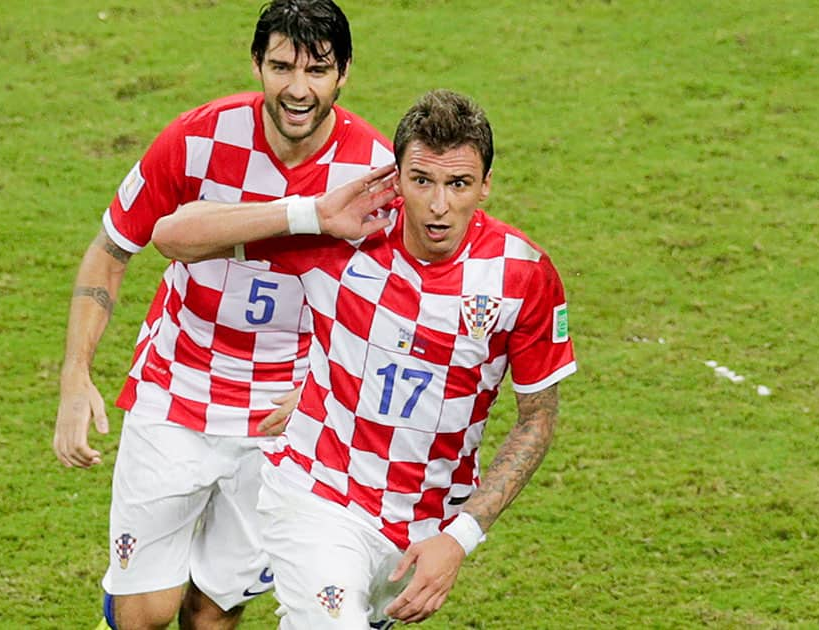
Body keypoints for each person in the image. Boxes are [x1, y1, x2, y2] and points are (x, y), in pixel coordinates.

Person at [152, 89, 577, 628]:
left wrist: (460, 537)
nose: (439, 204)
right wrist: (309, 213)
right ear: (396, 177)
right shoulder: (346, 231)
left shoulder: (522, 274)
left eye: (459, 184)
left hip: (422, 524)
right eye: (421, 180)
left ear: (486, 186)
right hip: (317, 492)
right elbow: (172, 237)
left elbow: (537, 419)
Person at [52, 1, 396, 628]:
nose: (297, 88)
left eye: (317, 70)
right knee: (143, 614)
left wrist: (326, 387)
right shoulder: (198, 137)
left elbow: (389, 309)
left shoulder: (374, 172)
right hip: (177, 385)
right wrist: (75, 375)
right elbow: (113, 248)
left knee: (212, 614)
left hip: (282, 414)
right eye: (281, 66)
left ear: (343, 72)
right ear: (257, 64)